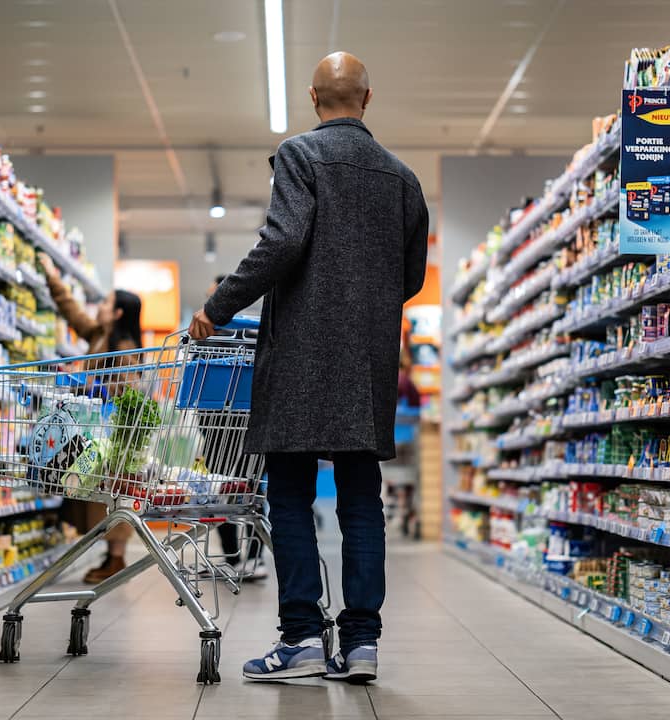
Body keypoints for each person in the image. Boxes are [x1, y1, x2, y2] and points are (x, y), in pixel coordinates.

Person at [189, 51, 429, 684]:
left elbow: (283, 241)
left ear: (313, 98)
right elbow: (410, 277)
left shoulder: (298, 154)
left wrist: (217, 306)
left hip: (299, 355)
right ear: (368, 100)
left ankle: (298, 639)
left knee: (289, 496)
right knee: (360, 501)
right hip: (367, 362)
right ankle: (361, 645)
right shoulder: (403, 178)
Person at [40, 252, 144, 584]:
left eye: (106, 302)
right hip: (95, 427)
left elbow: (128, 389)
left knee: (112, 491)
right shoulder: (101, 334)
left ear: (117, 312)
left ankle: (116, 559)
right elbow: (73, 313)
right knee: (98, 491)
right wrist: (51, 276)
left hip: (116, 432)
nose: (99, 305)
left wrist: (92, 385)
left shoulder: (124, 345)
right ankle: (110, 556)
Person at [204, 275, 267, 582]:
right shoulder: (253, 333)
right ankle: (247, 557)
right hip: (242, 426)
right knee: (250, 490)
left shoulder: (212, 333)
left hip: (222, 429)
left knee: (228, 491)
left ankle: (238, 557)